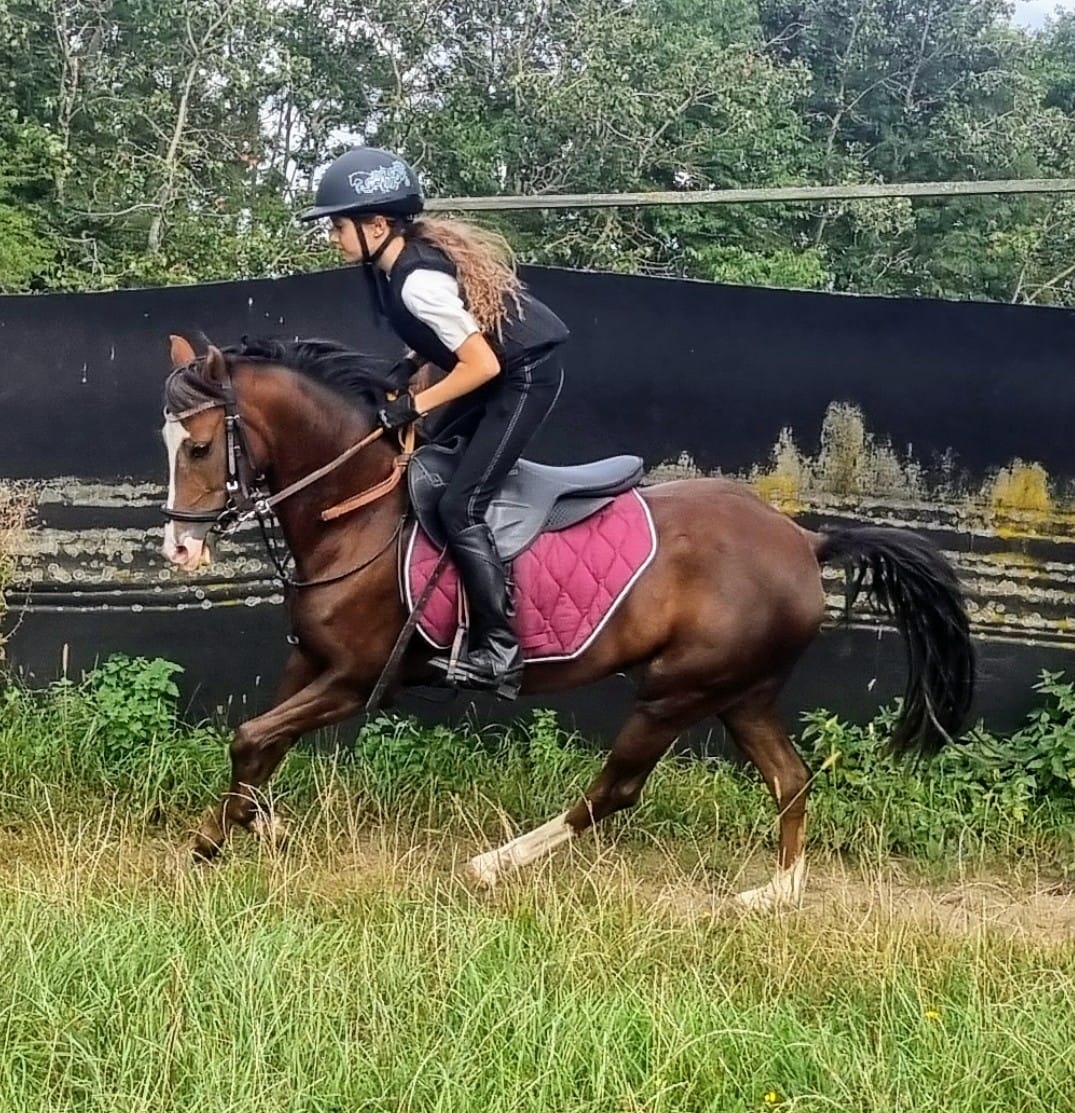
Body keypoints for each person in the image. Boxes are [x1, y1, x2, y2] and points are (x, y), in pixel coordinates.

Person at [299, 146, 570, 698]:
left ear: (376, 225)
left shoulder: (416, 279)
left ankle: (501, 650)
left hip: (522, 379)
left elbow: (483, 362)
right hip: (498, 373)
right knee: (423, 463)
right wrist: (411, 363)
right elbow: (452, 336)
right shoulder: (395, 265)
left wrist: (414, 405)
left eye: (338, 226)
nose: (333, 237)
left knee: (458, 503)